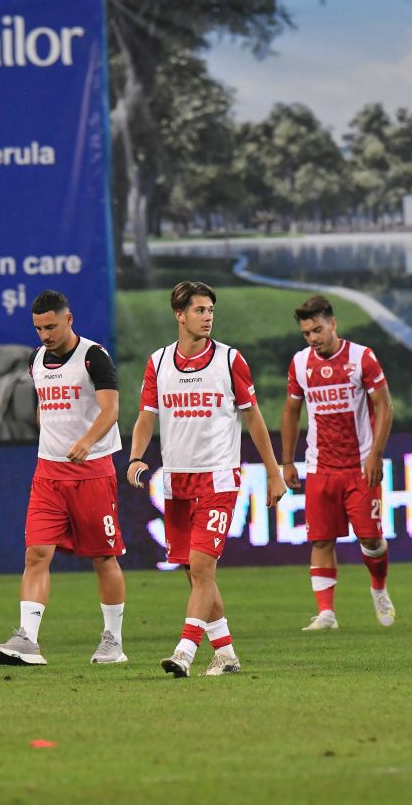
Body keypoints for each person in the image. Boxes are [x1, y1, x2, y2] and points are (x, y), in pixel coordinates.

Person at [127, 281, 286, 677]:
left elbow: (254, 419)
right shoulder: (158, 362)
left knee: (201, 568)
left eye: (211, 310)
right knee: (194, 573)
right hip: (176, 483)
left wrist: (274, 472)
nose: (208, 316)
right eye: (199, 310)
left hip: (219, 480)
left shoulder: (230, 360)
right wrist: (135, 457)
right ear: (179, 315)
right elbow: (146, 416)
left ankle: (184, 652)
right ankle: (226, 654)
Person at [0, 290, 128, 667]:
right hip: (48, 473)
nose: (45, 335)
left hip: (92, 472)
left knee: (103, 557)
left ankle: (113, 641)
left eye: (51, 326)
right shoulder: (36, 359)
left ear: (69, 319)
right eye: (38, 328)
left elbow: (111, 409)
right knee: (36, 554)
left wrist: (86, 441)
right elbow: (44, 410)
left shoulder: (93, 356)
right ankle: (27, 640)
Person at [280, 295, 396, 630]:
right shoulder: (300, 363)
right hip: (320, 466)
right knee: (321, 539)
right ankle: (326, 613)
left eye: (317, 329)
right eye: (306, 333)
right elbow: (291, 412)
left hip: (360, 465)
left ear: (333, 324)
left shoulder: (361, 358)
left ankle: (379, 590)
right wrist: (287, 461)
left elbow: (385, 406)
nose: (312, 338)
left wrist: (376, 454)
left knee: (370, 540)